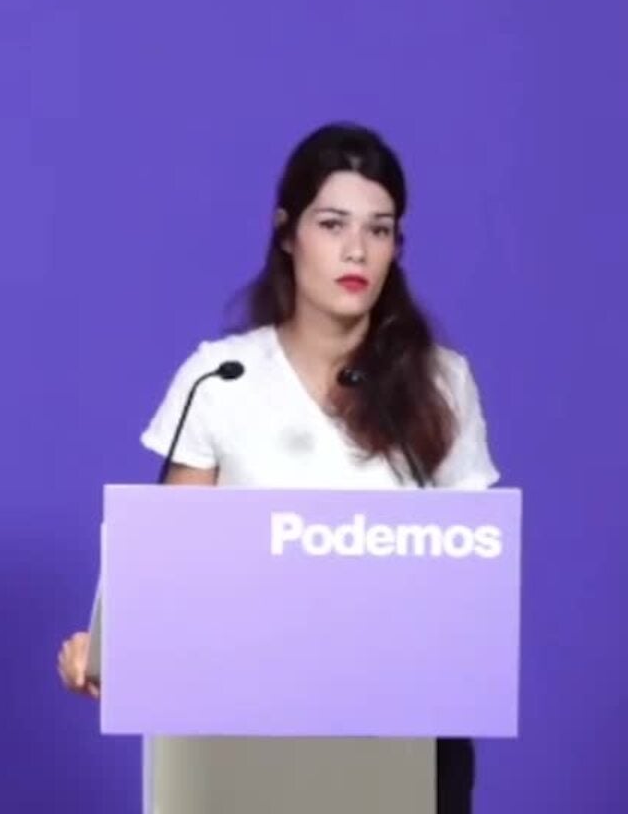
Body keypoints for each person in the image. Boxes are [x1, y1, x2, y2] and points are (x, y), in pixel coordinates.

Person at [55, 122, 498, 813]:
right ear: (288, 233)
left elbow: (474, 579)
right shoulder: (221, 378)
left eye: (379, 230)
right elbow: (168, 572)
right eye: (333, 224)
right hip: (244, 741)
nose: (357, 250)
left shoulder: (441, 383)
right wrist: (110, 650)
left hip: (402, 741)